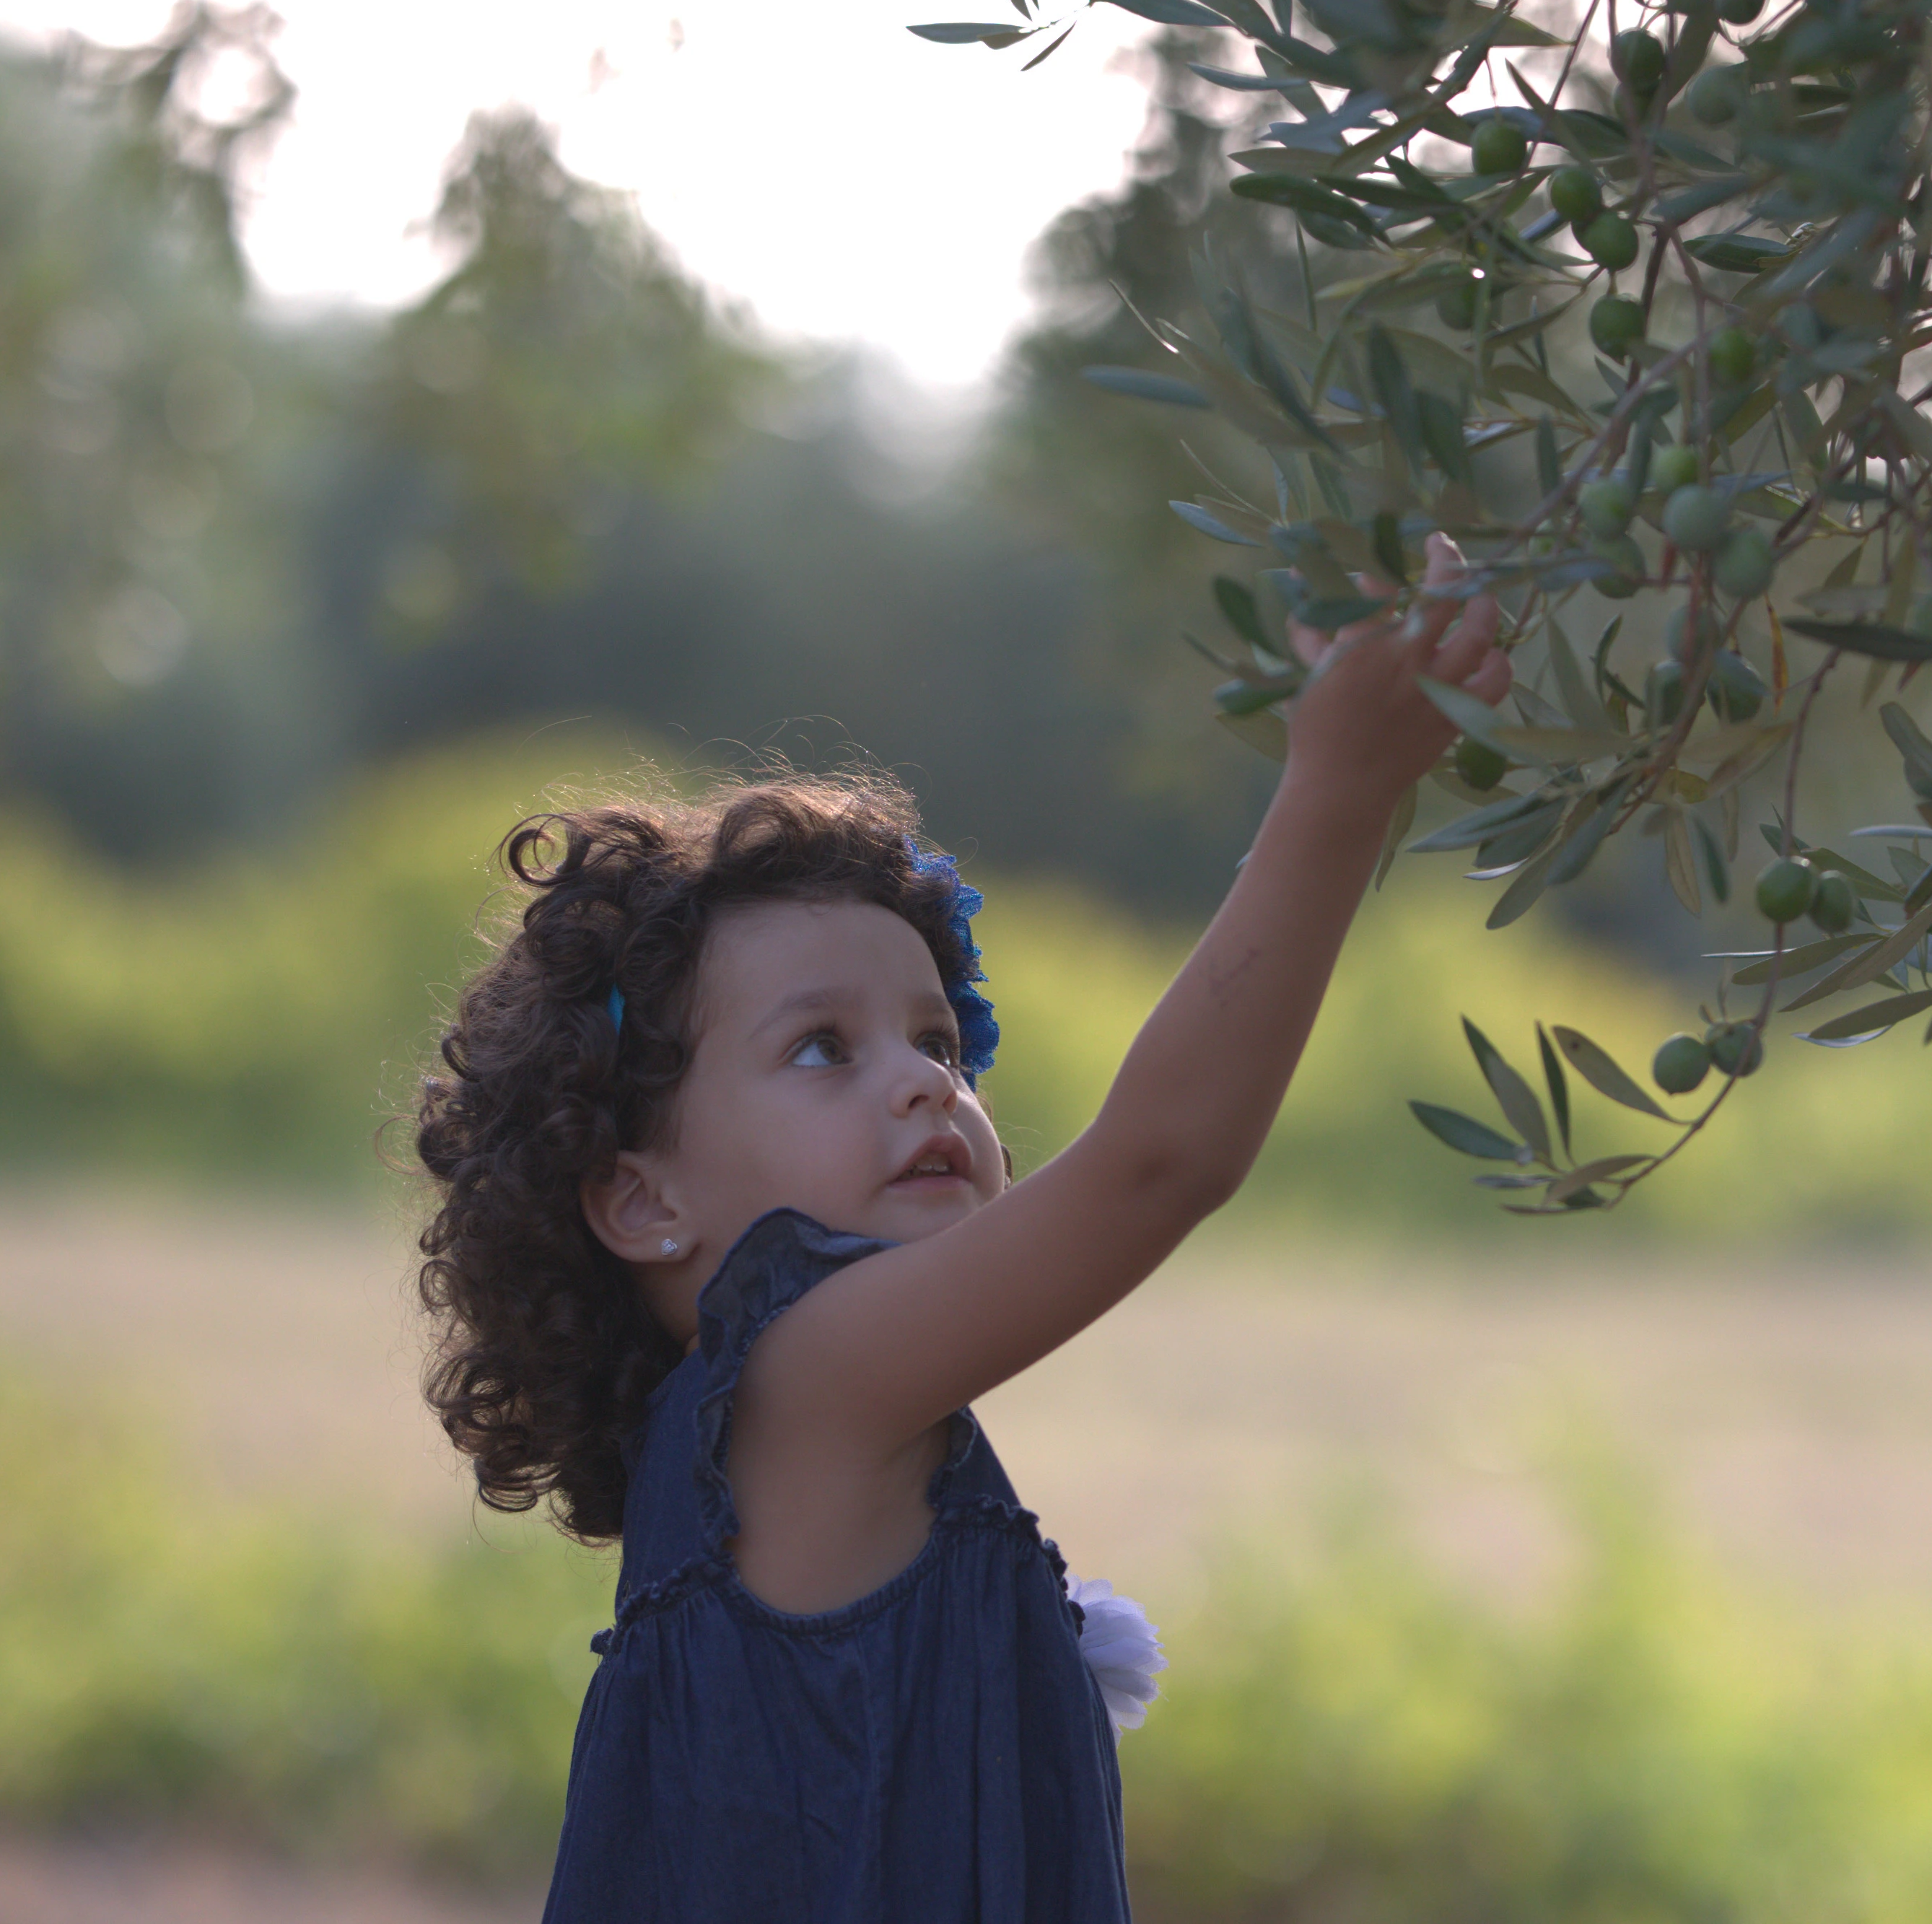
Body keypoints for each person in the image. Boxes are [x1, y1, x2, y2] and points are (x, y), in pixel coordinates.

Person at [408, 551, 1511, 1923]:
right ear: (641, 1199)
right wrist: (1341, 788)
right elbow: (1159, 1162)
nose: (925, 1083)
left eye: (938, 1041)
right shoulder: (803, 1378)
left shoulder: (779, 1431)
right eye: (823, 1047)